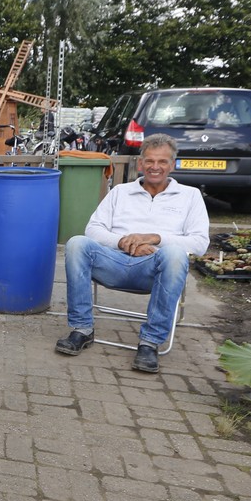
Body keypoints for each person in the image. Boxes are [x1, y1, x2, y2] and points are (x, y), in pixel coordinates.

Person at [54, 133, 209, 374]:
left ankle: (150, 342)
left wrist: (155, 239)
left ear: (172, 165)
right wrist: (124, 242)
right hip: (114, 262)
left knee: (175, 255)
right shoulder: (120, 192)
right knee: (77, 243)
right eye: (149, 161)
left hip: (155, 268)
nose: (155, 167)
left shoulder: (190, 196)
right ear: (140, 163)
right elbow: (93, 229)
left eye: (162, 161)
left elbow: (200, 243)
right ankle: (82, 329)